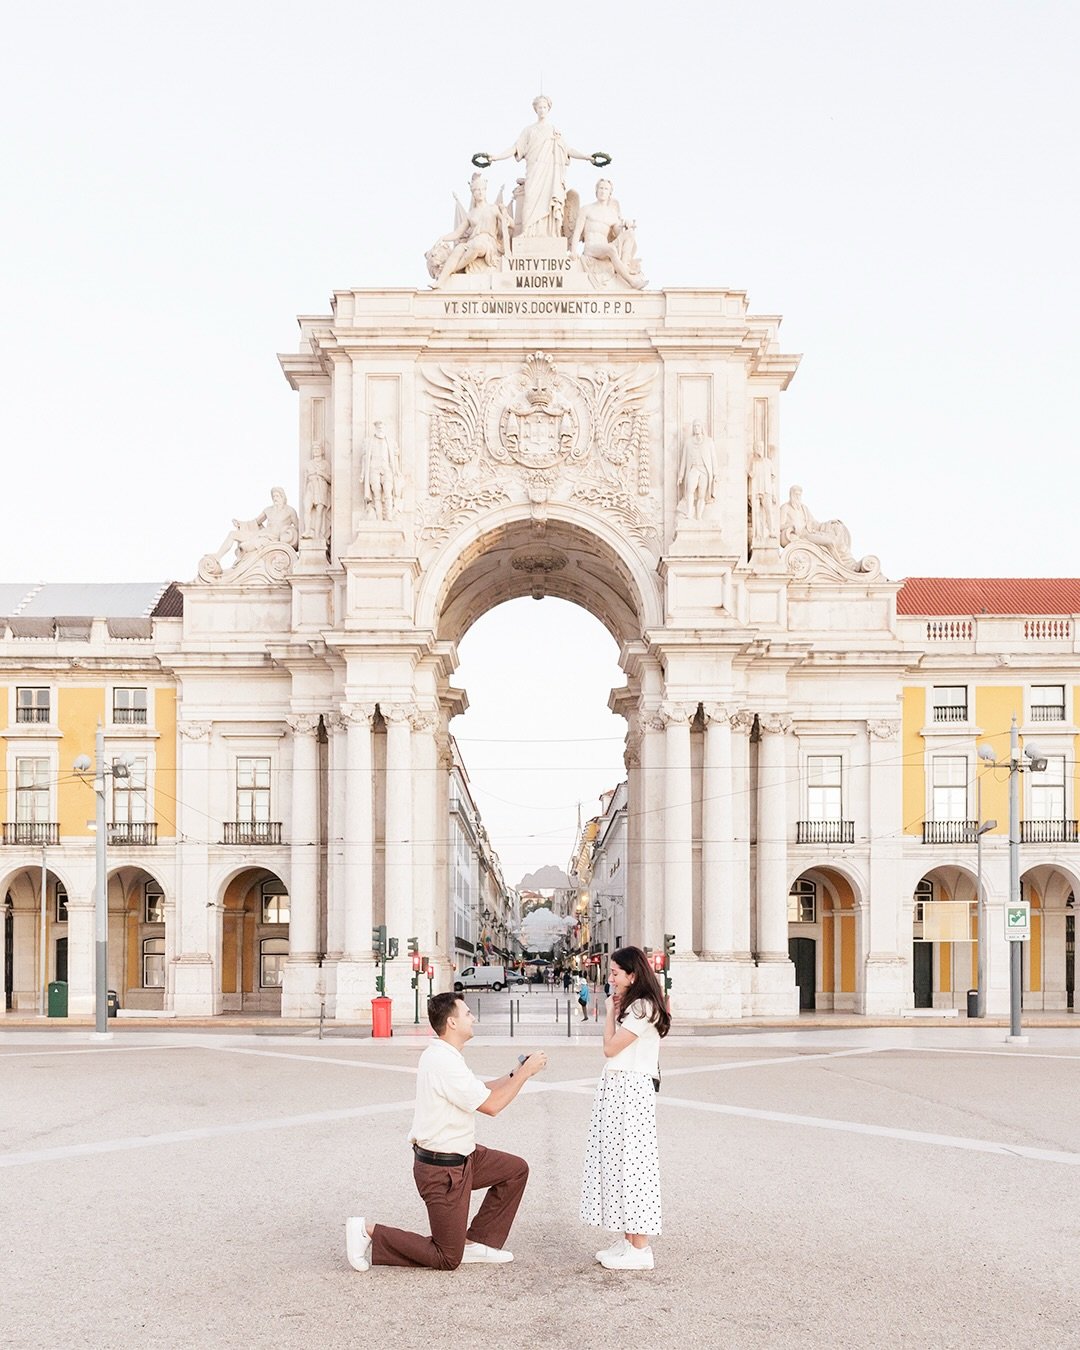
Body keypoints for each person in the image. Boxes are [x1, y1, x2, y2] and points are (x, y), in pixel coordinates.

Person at [345, 992, 548, 1272]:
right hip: (442, 1171)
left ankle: (476, 1242)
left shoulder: (445, 1055)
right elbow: (492, 1106)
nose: (473, 1017)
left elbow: (480, 1090)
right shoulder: (444, 1062)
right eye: (467, 1014)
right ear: (452, 1023)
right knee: (446, 1257)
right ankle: (367, 1231)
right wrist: (527, 1075)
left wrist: (516, 1071)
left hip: (465, 1157)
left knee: (515, 1170)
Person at [580, 945, 670, 1270]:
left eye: (616, 972)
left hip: (631, 1089)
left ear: (632, 975)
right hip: (621, 1088)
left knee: (634, 1164)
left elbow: (610, 1047)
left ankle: (641, 1247)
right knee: (619, 1162)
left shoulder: (643, 1009)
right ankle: (629, 1239)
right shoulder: (637, 1007)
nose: (611, 978)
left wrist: (607, 1013)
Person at [482, 95, 595, 238]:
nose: (542, 110)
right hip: (534, 172)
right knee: (530, 200)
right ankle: (527, 232)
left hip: (551, 174)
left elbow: (568, 150)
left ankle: (551, 234)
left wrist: (587, 157)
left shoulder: (555, 132)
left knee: (549, 202)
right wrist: (495, 157)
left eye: (544, 107)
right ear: (535, 109)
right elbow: (515, 148)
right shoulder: (529, 131)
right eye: (539, 107)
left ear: (548, 109)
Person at [432, 173, 511, 286]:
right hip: (473, 241)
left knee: (477, 246)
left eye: (482, 189)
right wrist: (443, 238)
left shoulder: (493, 208)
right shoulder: (471, 214)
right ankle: (440, 281)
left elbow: (509, 223)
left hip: (488, 243)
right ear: (473, 193)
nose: (480, 192)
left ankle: (452, 270)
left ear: (485, 191)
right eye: (477, 190)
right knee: (458, 249)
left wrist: (505, 216)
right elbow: (457, 233)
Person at [570, 178, 646, 289]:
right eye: (600, 188)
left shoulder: (611, 214)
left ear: (610, 193)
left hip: (605, 248)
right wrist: (573, 251)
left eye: (606, 189)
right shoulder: (586, 209)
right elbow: (577, 231)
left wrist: (626, 224)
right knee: (610, 249)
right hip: (591, 249)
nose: (602, 191)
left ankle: (624, 265)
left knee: (630, 234)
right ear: (596, 191)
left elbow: (619, 234)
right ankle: (631, 281)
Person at [213, 486, 300, 565]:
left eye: (277, 496)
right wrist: (240, 523)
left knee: (244, 547)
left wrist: (289, 536)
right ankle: (217, 556)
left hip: (272, 539)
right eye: (273, 496)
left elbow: (298, 527)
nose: (275, 498)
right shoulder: (268, 510)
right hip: (261, 534)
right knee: (232, 534)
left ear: (283, 497)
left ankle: (241, 563)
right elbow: (255, 522)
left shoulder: (290, 511)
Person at [361, 420, 401, 521]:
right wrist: (362, 473)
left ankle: (389, 517)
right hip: (373, 470)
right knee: (377, 495)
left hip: (387, 469)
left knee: (388, 492)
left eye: (382, 427)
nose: (380, 428)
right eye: (378, 427)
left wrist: (397, 470)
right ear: (375, 428)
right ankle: (379, 519)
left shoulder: (390, 441)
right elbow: (365, 459)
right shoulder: (369, 441)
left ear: (385, 428)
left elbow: (394, 457)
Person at [678, 420, 718, 519]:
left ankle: (699, 516)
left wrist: (716, 474)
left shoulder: (709, 441)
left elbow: (714, 459)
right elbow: (684, 460)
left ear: (701, 428)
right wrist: (681, 475)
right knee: (689, 490)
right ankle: (689, 512)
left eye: (698, 426)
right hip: (694, 469)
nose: (696, 428)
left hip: (704, 470)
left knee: (701, 495)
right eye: (695, 426)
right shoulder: (688, 442)